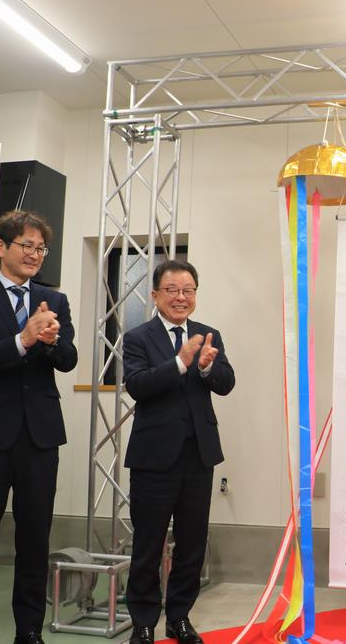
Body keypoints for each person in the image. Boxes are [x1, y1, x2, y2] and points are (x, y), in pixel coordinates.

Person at [0, 210, 77, 644]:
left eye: (41, 248)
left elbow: (69, 360)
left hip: (40, 435)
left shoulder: (54, 300)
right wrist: (23, 340)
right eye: (27, 245)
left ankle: (29, 631)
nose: (35, 255)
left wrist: (52, 341)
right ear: (1, 247)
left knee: (35, 539)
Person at [123, 260, 235, 644]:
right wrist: (180, 363)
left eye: (188, 290)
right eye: (172, 290)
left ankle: (179, 618)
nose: (180, 297)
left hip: (198, 456)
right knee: (148, 544)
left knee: (192, 544)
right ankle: (142, 622)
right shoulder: (138, 337)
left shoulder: (208, 334)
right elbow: (138, 385)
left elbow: (226, 383)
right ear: (155, 295)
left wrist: (205, 368)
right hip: (153, 457)